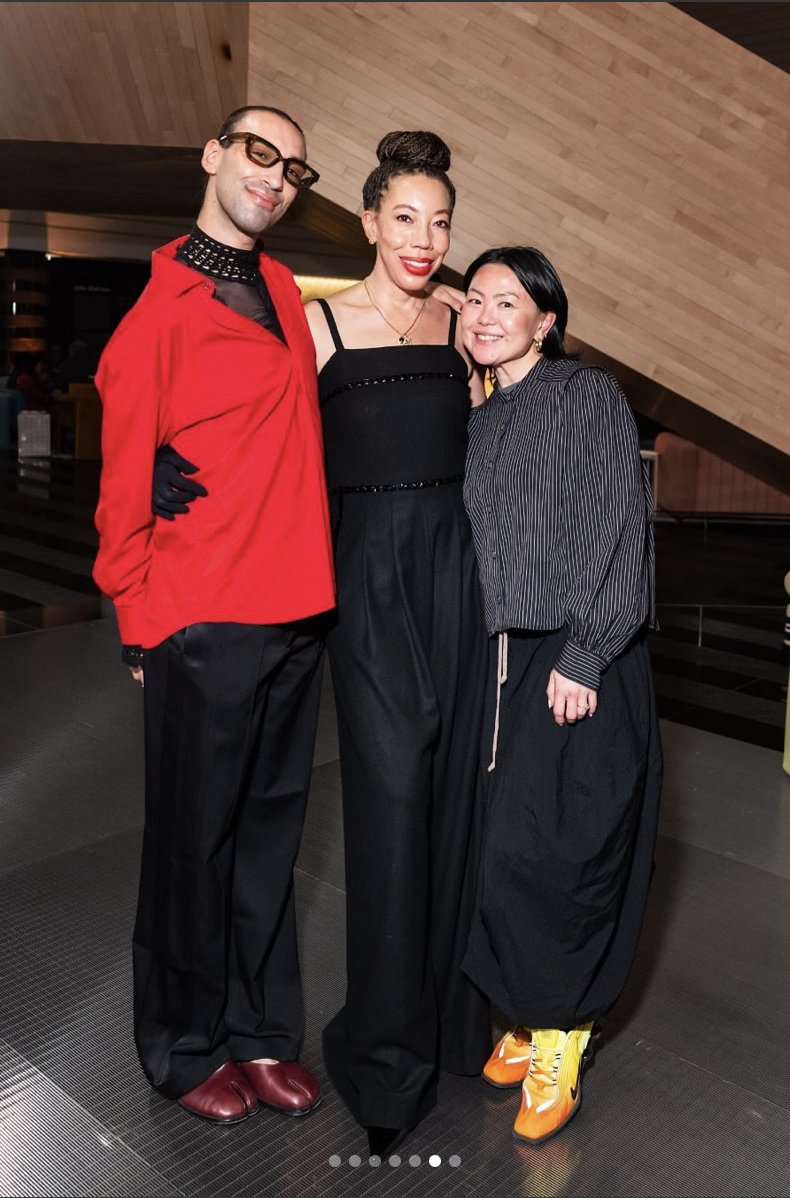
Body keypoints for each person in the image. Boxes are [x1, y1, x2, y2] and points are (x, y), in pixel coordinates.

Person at [153, 131, 492, 1156]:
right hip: (364, 578)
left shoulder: (462, 324)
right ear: (369, 221)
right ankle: (384, 1059)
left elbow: (505, 434)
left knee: (453, 802)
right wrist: (167, 460)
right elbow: (252, 424)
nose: (423, 238)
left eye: (439, 221)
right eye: (405, 217)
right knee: (390, 801)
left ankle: (450, 1022)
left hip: (459, 574)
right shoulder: (318, 323)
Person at [92, 104, 336, 1125]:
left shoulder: (278, 285)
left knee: (270, 838)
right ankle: (182, 1044)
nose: (274, 177)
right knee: (192, 845)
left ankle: (259, 1029)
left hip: (297, 603)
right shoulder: (162, 307)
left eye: (292, 168)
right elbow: (119, 482)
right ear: (213, 156)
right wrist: (137, 616)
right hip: (204, 614)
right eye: (257, 153)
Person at [457, 246, 663, 1145]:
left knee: (563, 854)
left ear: (546, 320)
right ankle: (530, 1007)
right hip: (505, 658)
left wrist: (585, 653)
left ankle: (563, 1035)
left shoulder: (585, 395)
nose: (485, 314)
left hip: (581, 657)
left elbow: (618, 523)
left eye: (508, 301)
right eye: (474, 299)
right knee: (503, 848)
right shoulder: (484, 416)